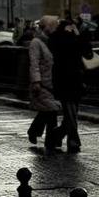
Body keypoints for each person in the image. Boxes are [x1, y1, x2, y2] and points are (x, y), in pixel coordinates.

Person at [49, 18, 92, 153]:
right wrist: (71, 35)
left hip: (76, 81)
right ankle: (73, 142)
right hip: (64, 81)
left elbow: (87, 53)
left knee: (71, 114)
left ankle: (57, 135)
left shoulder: (75, 38)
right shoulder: (57, 38)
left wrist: (78, 35)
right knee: (71, 113)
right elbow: (61, 47)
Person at [26, 16, 62, 151]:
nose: (55, 29)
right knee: (51, 111)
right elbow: (34, 63)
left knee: (46, 111)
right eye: (54, 26)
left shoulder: (51, 41)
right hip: (41, 84)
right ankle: (50, 142)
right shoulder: (36, 42)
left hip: (52, 83)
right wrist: (36, 81)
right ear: (46, 26)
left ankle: (34, 131)